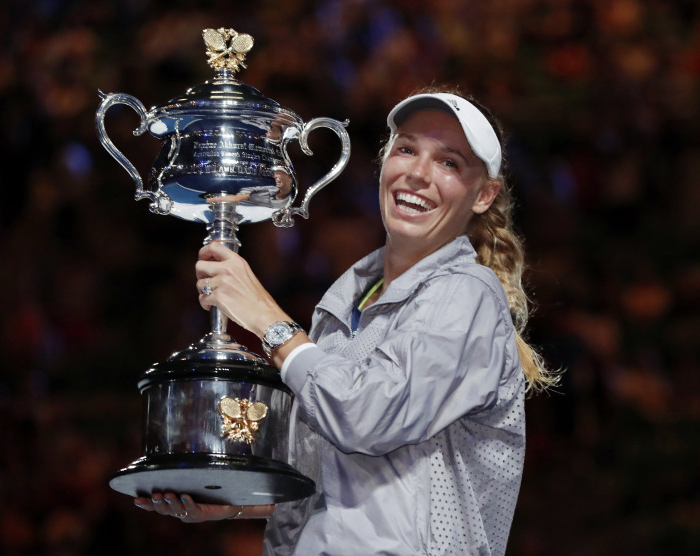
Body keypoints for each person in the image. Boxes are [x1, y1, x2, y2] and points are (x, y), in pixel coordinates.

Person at [134, 86, 556, 555]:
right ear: (384, 163)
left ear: (484, 195)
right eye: (407, 149)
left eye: (449, 163)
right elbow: (331, 479)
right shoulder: (341, 306)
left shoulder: (468, 294)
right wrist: (235, 499)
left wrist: (268, 320)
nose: (418, 173)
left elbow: (365, 418)